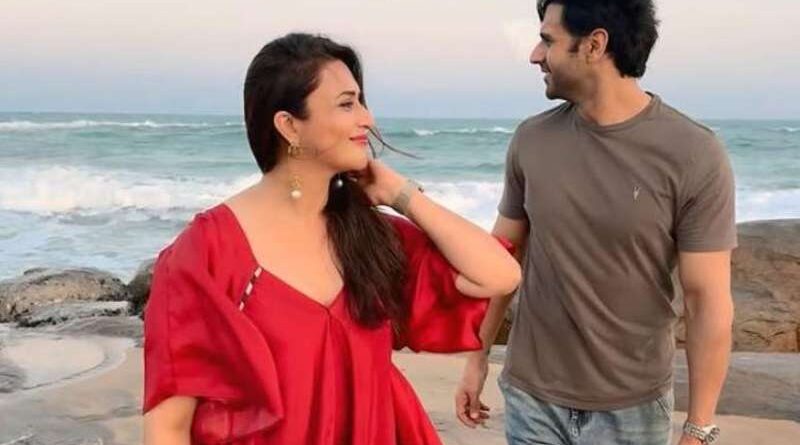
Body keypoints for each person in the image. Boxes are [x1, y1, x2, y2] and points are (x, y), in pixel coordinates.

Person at [142, 33, 521, 444]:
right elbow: (168, 427)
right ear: (289, 126)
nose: (367, 119)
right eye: (346, 104)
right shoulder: (205, 254)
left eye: (361, 101)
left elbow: (499, 275)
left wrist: (401, 194)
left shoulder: (369, 236)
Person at [455, 1, 736, 444]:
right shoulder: (531, 140)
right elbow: (501, 256)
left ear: (594, 45)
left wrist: (698, 428)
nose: (534, 55)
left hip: (633, 409)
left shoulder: (694, 153)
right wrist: (477, 356)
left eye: (548, 40)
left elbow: (707, 301)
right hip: (532, 400)